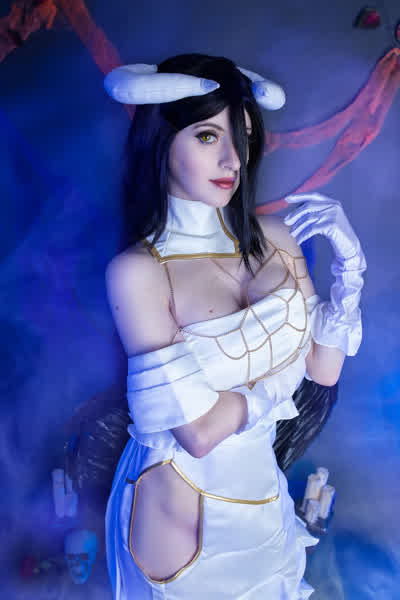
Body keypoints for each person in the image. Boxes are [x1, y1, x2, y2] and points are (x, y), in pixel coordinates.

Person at [103, 53, 366, 599]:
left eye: (242, 136)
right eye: (207, 136)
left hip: (264, 503)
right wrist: (278, 383)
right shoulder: (138, 272)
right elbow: (198, 433)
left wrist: (350, 268)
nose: (232, 158)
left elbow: (323, 368)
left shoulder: (276, 239)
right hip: (180, 516)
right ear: (162, 140)